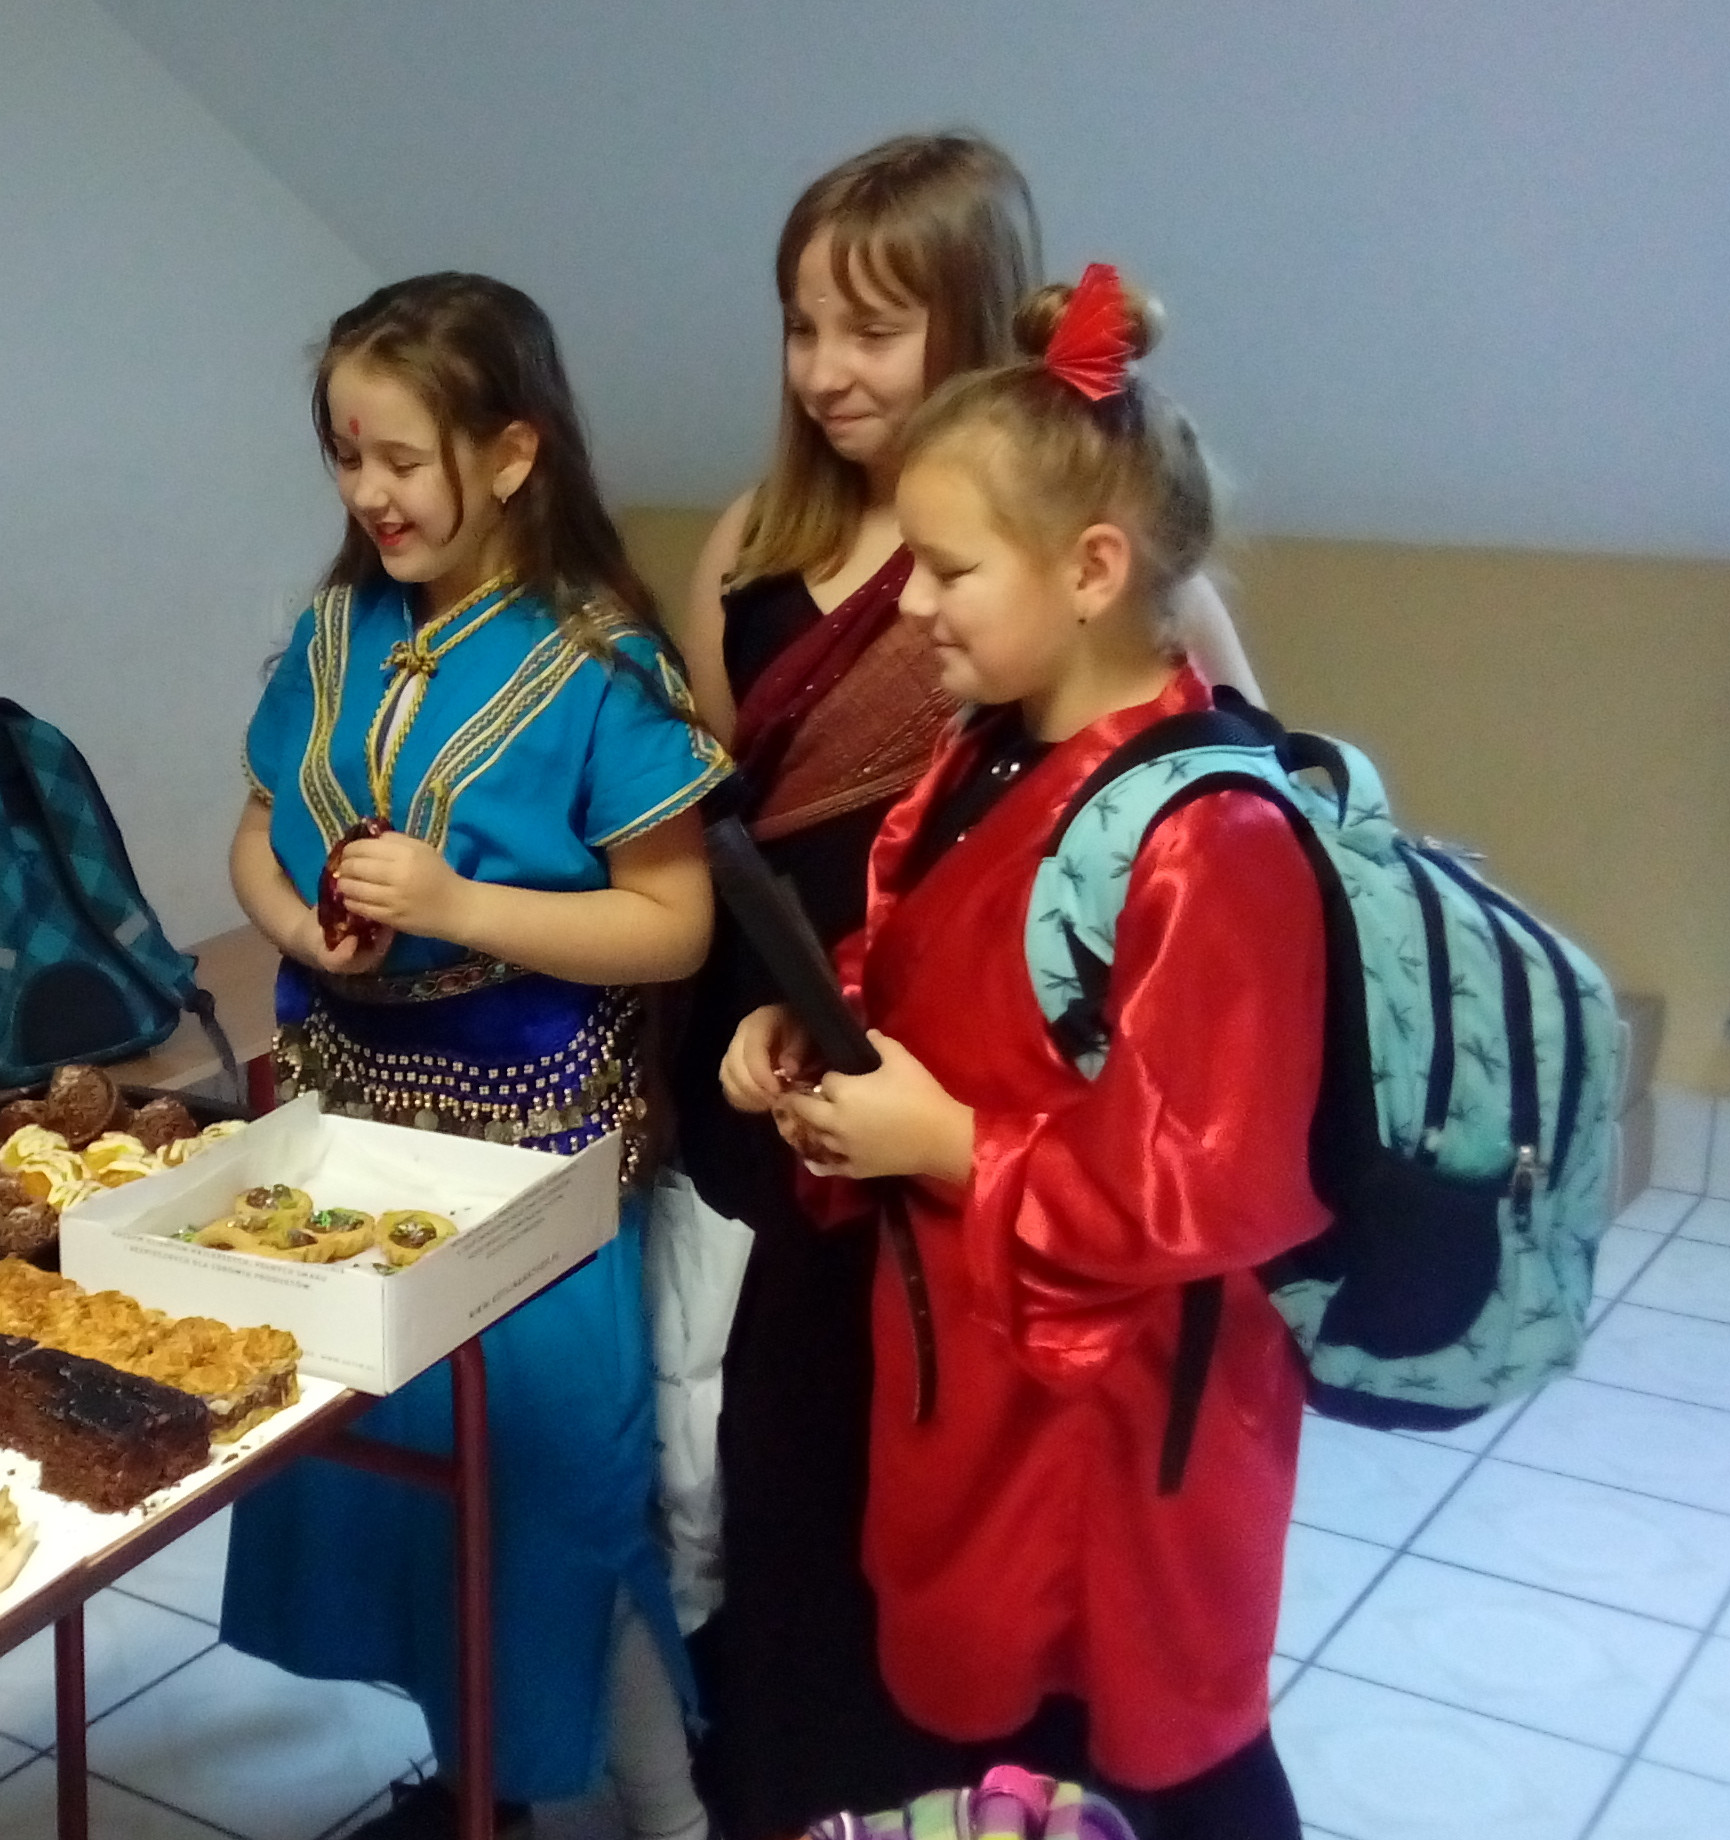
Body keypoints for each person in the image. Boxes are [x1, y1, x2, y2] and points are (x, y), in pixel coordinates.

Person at [658, 132, 1257, 1840]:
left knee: (1010, 1587)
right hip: (835, 1125)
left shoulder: (1149, 706)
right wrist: (789, 1017)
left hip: (1014, 1184)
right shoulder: (759, 555)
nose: (825, 370)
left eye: (872, 328)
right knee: (803, 1509)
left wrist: (953, 1140)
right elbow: (741, 830)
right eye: (800, 328)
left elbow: (1199, 903)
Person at [221, 273, 725, 1840]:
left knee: (553, 1485)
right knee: (383, 1464)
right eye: (346, 457)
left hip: (536, 1154)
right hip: (344, 1133)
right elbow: (255, 832)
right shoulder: (333, 633)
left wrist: (457, 908)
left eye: (402, 458)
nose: (369, 493)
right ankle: (473, 1791)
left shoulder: (602, 662)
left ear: (511, 453)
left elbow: (675, 925)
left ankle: (660, 1808)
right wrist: (298, 931)